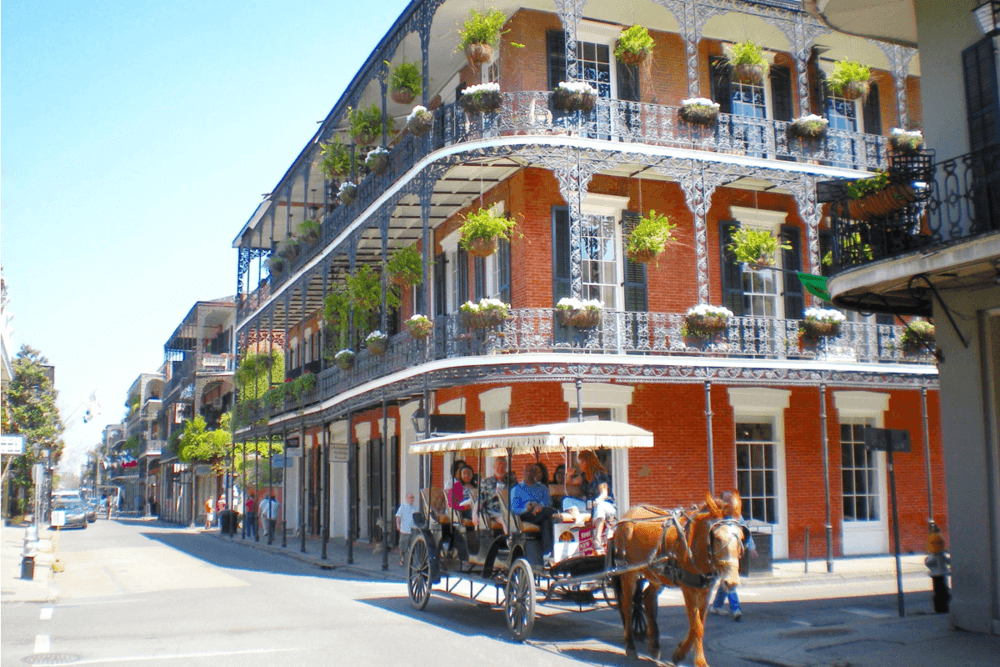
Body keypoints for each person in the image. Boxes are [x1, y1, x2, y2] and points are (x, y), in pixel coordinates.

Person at [709, 490, 757, 621]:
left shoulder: (737, 516)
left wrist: (751, 548)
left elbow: (745, 530)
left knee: (727, 580)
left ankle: (717, 605)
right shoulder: (718, 515)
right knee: (729, 580)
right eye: (726, 499)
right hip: (720, 555)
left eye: (730, 499)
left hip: (732, 554)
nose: (729, 502)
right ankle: (736, 609)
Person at [511, 463, 560, 559]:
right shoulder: (516, 489)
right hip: (525, 515)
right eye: (527, 471)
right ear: (523, 473)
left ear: (535, 473)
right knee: (549, 513)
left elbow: (548, 502)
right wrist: (527, 507)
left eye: (532, 471)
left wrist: (540, 506)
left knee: (546, 520)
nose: (529, 473)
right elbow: (514, 509)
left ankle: (546, 554)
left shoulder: (542, 488)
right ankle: (549, 551)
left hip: (541, 513)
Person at [578, 451, 616, 550]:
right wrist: (568, 474)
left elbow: (604, 494)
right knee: (567, 500)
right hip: (590, 505)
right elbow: (570, 482)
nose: (579, 465)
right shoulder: (584, 476)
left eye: (580, 462)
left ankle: (597, 539)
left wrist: (596, 501)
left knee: (600, 507)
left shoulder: (600, 475)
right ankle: (578, 519)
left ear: (586, 462)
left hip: (607, 505)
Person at [479, 457, 516, 533]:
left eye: (503, 467)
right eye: (498, 466)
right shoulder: (486, 481)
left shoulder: (511, 481)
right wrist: (476, 513)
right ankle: (509, 538)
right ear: (494, 467)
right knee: (504, 518)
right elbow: (480, 498)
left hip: (509, 508)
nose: (500, 469)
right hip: (493, 509)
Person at [395, 492, 416, 566]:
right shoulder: (403, 506)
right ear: (407, 499)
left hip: (413, 531)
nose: (412, 499)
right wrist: (398, 524)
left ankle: (412, 561)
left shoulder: (415, 508)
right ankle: (402, 558)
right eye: (410, 497)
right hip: (404, 530)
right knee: (402, 547)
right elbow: (398, 516)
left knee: (413, 547)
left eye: (413, 497)